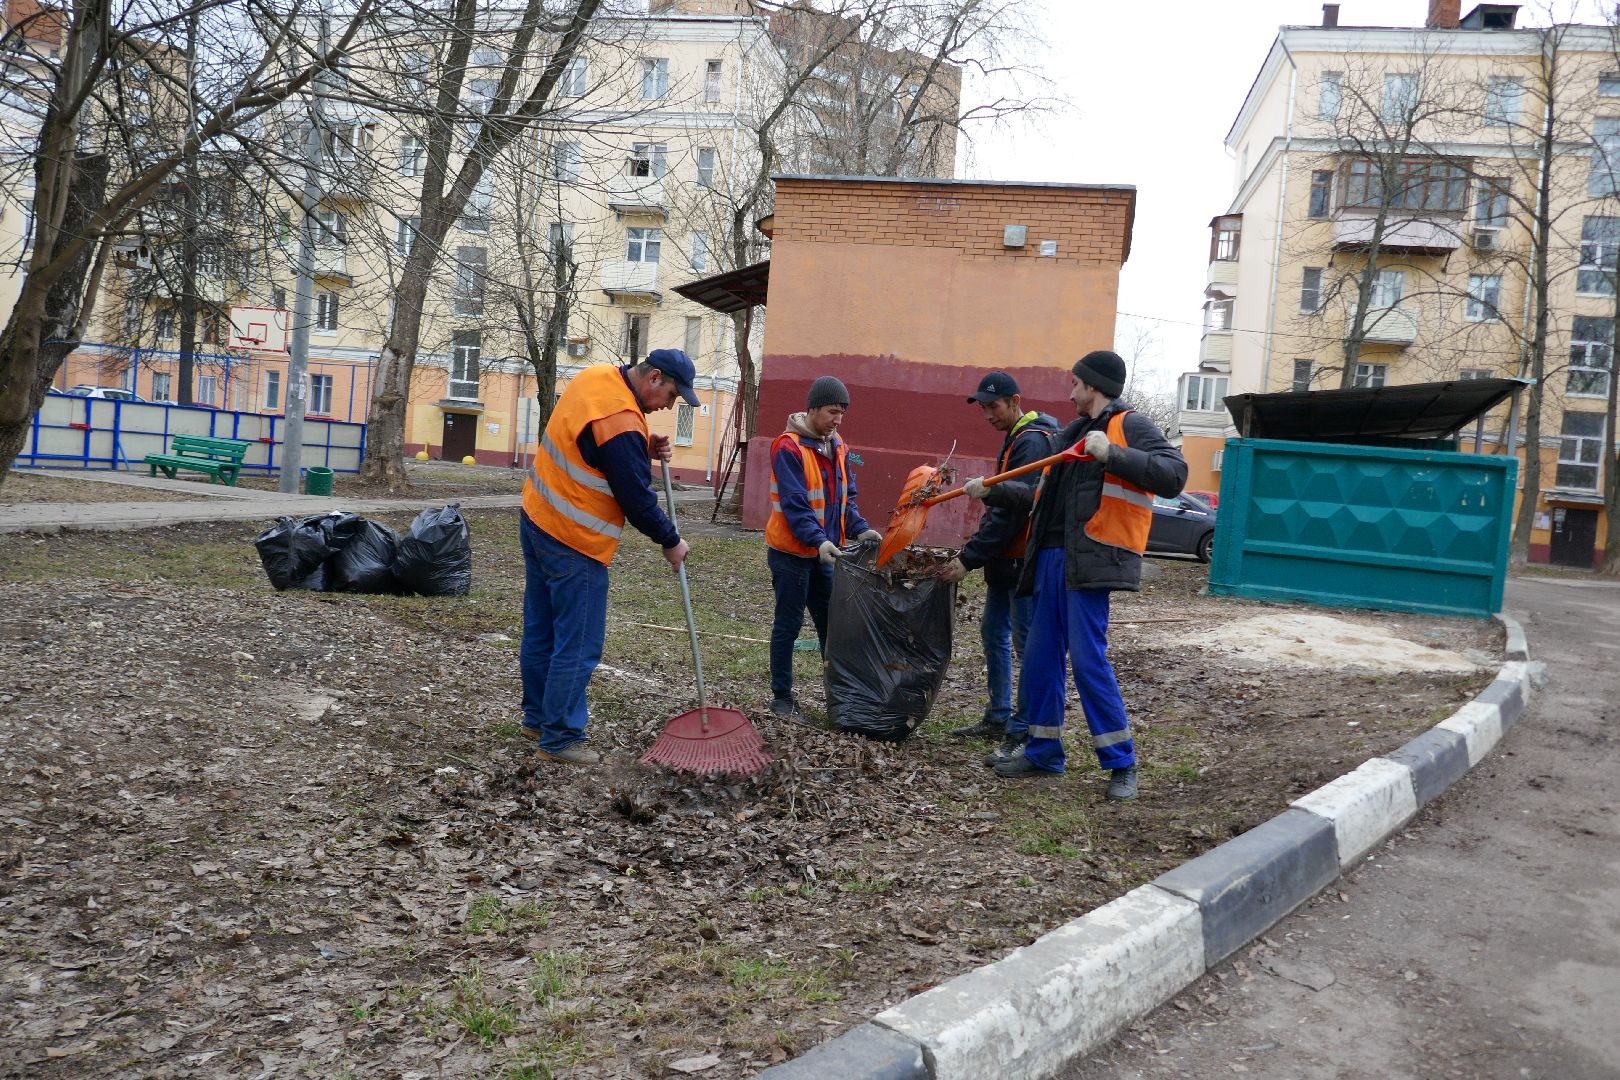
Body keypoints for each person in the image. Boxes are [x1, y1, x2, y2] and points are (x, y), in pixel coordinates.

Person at [964, 350, 1187, 800]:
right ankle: (1045, 751)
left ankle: (1122, 762)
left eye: (1076, 384)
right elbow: (1039, 499)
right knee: (1042, 658)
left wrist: (1114, 454)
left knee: (1088, 661)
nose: (1070, 392)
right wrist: (994, 490)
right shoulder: (1071, 433)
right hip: (1047, 558)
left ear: (1095, 386)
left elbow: (1174, 475)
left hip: (1089, 559)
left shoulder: (1129, 425)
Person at [519, 349, 696, 765]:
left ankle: (537, 719)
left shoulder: (597, 377)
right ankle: (559, 737)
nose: (669, 406)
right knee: (578, 642)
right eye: (671, 395)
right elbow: (636, 499)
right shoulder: (622, 421)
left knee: (542, 629)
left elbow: (590, 441)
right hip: (574, 540)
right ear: (654, 377)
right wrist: (671, 540)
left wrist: (639, 448)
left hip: (537, 517)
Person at [941, 372, 1058, 756]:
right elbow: (1002, 509)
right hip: (1006, 563)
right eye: (984, 407)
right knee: (994, 635)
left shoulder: (1032, 442)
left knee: (1026, 646)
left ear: (1014, 401)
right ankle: (999, 715)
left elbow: (1013, 511)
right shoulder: (1017, 440)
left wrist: (968, 560)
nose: (988, 414)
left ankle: (1023, 728)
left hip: (1024, 562)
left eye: (993, 406)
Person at [765, 375, 881, 717]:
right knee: (788, 625)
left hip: (825, 554)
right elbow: (795, 503)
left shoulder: (839, 446)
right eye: (832, 412)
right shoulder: (787, 447)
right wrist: (819, 541)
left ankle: (842, 695)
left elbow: (846, 499)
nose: (837, 420)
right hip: (791, 554)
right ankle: (782, 698)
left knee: (832, 624)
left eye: (842, 414)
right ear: (813, 408)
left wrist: (859, 530)